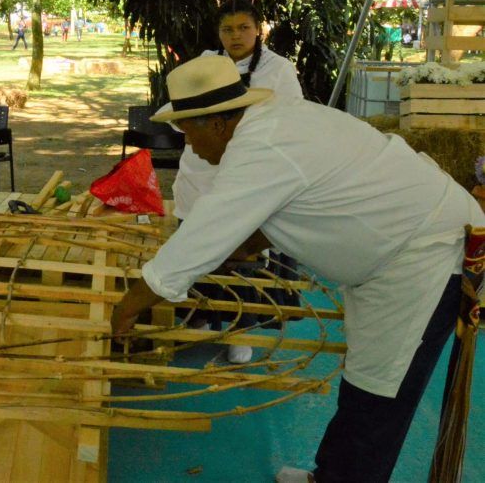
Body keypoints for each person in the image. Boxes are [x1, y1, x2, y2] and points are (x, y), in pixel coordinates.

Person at [111, 55, 484, 483]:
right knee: (364, 384)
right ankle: (330, 476)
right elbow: (297, 200)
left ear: (216, 123)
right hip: (399, 254)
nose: (188, 144)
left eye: (188, 131)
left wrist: (130, 304)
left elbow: (205, 234)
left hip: (426, 257)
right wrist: (243, 244)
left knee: (379, 396)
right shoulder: (271, 124)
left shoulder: (260, 145)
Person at [170, 1, 304, 363]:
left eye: (243, 28)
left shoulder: (278, 70)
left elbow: (293, 120)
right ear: (219, 33)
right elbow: (178, 112)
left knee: (242, 255)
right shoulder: (203, 64)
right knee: (196, 247)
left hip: (250, 175)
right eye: (228, 29)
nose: (235, 36)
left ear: (258, 30)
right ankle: (199, 317)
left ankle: (239, 329)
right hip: (200, 173)